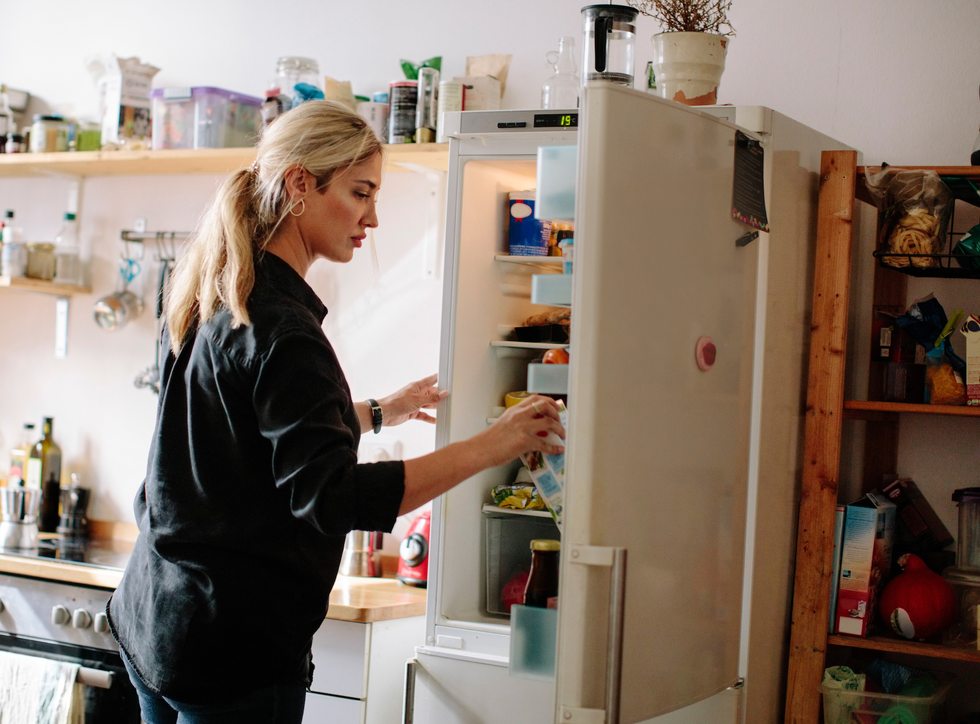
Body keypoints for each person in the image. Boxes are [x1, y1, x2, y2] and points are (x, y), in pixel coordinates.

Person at [106, 100, 565, 724]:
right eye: (360, 192)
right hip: (231, 650)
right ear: (300, 184)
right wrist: (495, 443)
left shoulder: (221, 293)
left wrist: (381, 410)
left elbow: (251, 434)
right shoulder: (285, 331)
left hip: (159, 621)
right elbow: (335, 498)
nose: (372, 217)